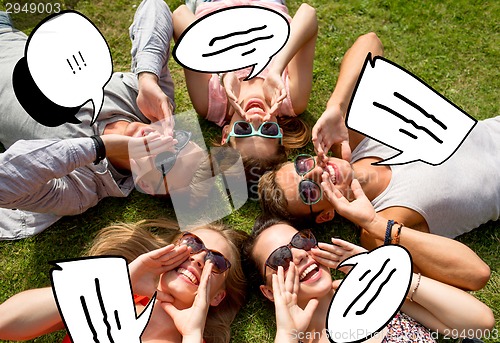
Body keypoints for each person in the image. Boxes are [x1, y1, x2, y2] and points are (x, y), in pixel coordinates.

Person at [257, 31, 498, 290]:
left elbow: (370, 42)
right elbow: (474, 274)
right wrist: (374, 222)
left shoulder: (354, 138)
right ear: (326, 215)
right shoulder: (379, 228)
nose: (317, 172)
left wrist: (336, 106)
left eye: (302, 165)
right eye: (309, 191)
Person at [0, 3, 212, 239]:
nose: (161, 137)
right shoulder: (146, 104)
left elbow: (4, 183)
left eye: (165, 159)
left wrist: (101, 146)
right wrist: (148, 79)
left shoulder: (81, 188)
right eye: (178, 139)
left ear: (147, 185)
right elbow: (154, 7)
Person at [243, 191, 495, 343]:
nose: (299, 254)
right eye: (280, 258)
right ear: (268, 291)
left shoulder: (371, 289)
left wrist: (384, 271)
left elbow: (480, 322)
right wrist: (287, 335)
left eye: (301, 240)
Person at [0, 219, 248, 343]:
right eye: (193, 244)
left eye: (217, 262)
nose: (199, 259)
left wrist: (193, 335)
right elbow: (5, 322)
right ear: (170, 250)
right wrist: (120, 280)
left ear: (218, 296)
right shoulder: (111, 296)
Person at [140, 1, 317, 166]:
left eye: (243, 129)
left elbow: (180, 16)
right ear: (280, 132)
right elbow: (307, 14)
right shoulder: (290, 99)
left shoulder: (211, 104)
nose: (255, 119)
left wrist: (225, 69)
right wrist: (277, 69)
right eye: (268, 130)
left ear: (226, 133)